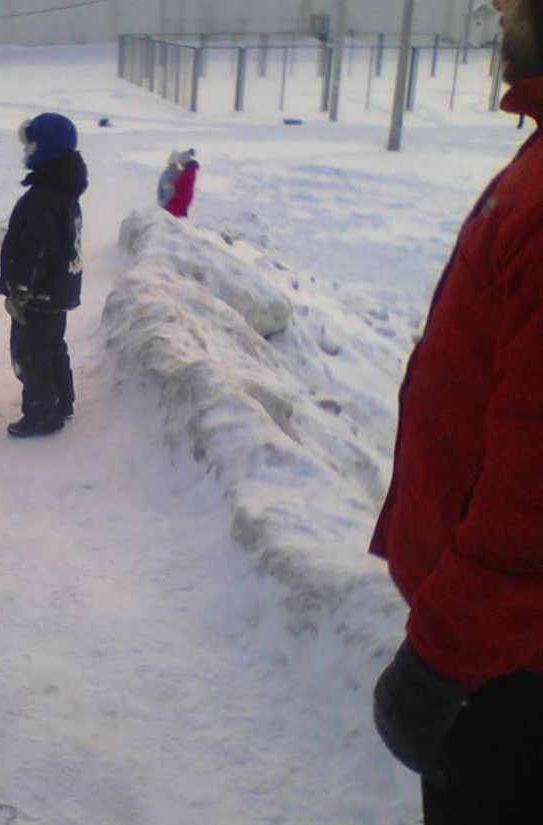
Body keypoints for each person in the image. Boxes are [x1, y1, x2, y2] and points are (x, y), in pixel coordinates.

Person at [370, 0, 543, 821]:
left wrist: (443, 655)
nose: (501, 16)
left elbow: (535, 485)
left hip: (508, 667)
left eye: (515, 4)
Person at [0, 113, 86, 438]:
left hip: (39, 292)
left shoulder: (43, 198)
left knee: (32, 351)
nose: (26, 150)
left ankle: (42, 412)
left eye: (30, 144)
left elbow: (37, 249)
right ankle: (62, 401)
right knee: (51, 345)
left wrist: (20, 289)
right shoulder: (63, 191)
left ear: (43, 149)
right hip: (57, 290)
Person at [157, 148, 198, 218]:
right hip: (176, 206)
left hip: (172, 206)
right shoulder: (182, 174)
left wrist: (162, 203)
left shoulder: (166, 174)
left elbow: (160, 191)